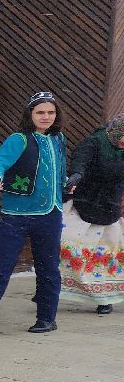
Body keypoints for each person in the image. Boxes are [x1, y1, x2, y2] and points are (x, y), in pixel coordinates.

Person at [0, 92, 67, 335]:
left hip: (50, 213)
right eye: (40, 112)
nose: (46, 117)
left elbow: (60, 170)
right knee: (1, 265)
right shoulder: (18, 139)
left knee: (48, 267)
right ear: (30, 114)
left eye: (50, 112)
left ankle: (47, 318)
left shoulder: (59, 138)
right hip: (17, 213)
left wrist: (65, 186)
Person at [59, 112, 124, 314]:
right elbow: (81, 160)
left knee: (106, 254)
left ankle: (104, 298)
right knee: (68, 248)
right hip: (84, 204)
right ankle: (52, 288)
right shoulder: (94, 142)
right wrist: (77, 175)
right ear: (117, 131)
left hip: (109, 207)